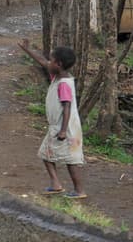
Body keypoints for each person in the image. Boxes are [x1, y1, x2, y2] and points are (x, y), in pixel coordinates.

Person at [18, 39, 87, 199]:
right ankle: (58, 184)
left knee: (67, 159)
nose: (48, 62)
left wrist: (63, 130)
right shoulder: (58, 76)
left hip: (64, 128)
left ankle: (77, 190)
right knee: (52, 155)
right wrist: (27, 50)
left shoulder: (63, 83)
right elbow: (43, 62)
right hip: (61, 127)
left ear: (59, 64)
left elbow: (67, 106)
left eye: (51, 60)